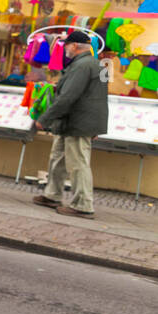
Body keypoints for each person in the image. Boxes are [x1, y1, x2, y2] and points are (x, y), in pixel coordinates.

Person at [31, 29, 108, 218]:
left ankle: (83, 205)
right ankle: (52, 195)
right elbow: (99, 98)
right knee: (58, 158)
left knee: (78, 163)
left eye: (66, 46)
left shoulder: (82, 66)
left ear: (74, 46)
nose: (65, 49)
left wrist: (45, 118)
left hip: (78, 123)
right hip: (73, 121)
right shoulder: (95, 65)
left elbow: (68, 96)